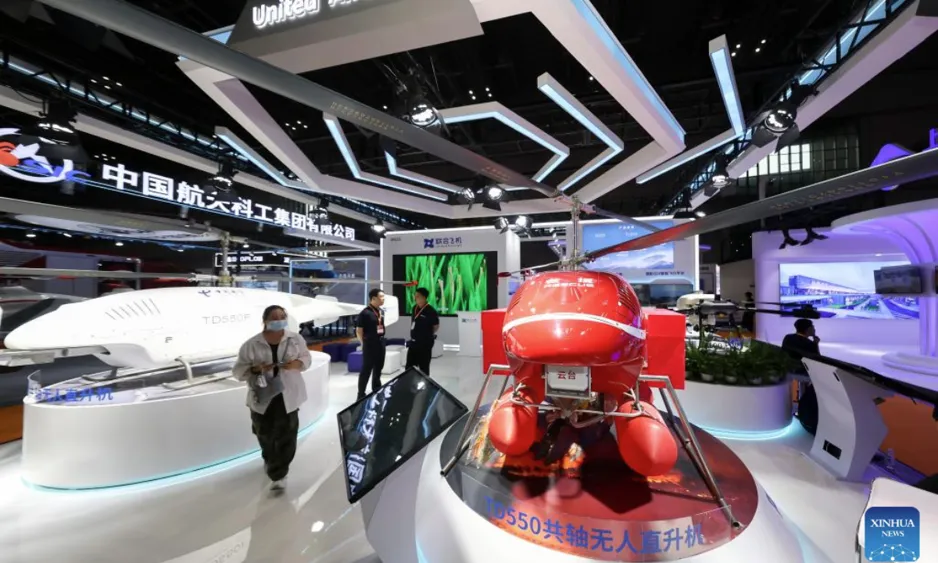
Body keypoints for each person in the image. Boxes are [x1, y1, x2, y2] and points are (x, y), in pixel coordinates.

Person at [234, 305, 312, 492]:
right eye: (274, 317)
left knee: (287, 434)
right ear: (265, 321)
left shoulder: (295, 339)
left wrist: (297, 363)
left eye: (282, 317)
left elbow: (306, 358)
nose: (279, 320)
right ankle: (270, 460)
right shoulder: (251, 344)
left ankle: (279, 473)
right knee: (264, 433)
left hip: (287, 395)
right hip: (263, 396)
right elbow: (238, 372)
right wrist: (255, 369)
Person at [782, 318, 820, 435]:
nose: (814, 329)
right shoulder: (809, 344)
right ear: (808, 329)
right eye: (813, 327)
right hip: (803, 373)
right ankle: (805, 408)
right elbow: (817, 360)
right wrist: (816, 344)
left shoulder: (788, 338)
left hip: (787, 370)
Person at [356, 288, 387, 401]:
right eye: (381, 297)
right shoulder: (365, 313)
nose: (383, 299)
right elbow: (359, 331)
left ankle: (377, 389)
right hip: (370, 344)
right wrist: (363, 344)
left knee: (378, 368)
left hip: (381, 343)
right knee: (366, 369)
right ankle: (361, 394)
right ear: (373, 298)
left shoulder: (381, 312)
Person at [406, 287, 439, 375]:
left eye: (418, 296)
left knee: (424, 368)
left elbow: (436, 326)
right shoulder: (414, 308)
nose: (415, 298)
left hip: (425, 344)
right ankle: (410, 383)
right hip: (413, 343)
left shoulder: (431, 311)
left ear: (424, 297)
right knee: (409, 368)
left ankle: (424, 383)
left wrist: (427, 334)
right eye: (415, 296)